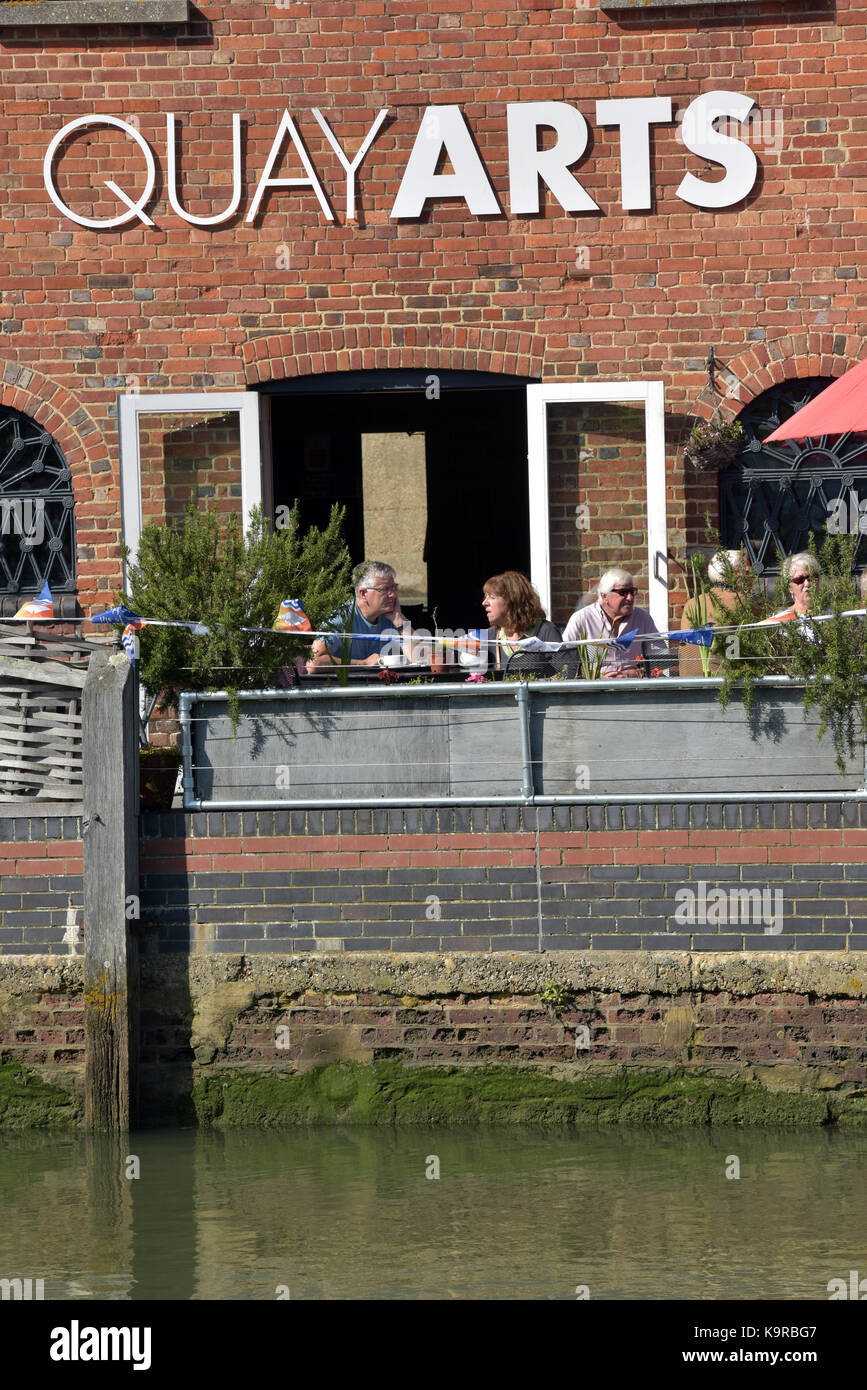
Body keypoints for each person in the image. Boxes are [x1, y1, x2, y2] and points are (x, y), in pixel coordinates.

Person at [306, 561, 410, 673]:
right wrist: (364, 663)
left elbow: (423, 657)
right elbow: (314, 663)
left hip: (381, 687)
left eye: (394, 588)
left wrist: (400, 621)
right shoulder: (341, 617)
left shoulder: (390, 617)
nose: (393, 594)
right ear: (363, 593)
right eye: (385, 589)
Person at [562, 567, 667, 677]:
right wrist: (598, 676)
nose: (630, 598)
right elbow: (563, 663)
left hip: (635, 687)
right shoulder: (582, 619)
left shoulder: (642, 618)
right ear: (604, 596)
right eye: (623, 593)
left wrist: (637, 673)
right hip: (594, 690)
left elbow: (662, 658)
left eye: (632, 591)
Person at [679, 549, 752, 676]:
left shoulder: (691, 604)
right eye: (747, 571)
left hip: (688, 685)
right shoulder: (743, 603)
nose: (752, 576)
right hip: (727, 687)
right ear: (738, 575)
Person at [481, 571, 561, 670]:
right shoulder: (490, 635)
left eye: (492, 597)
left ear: (512, 600)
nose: (484, 603)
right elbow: (457, 646)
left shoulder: (545, 631)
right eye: (485, 597)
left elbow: (568, 671)